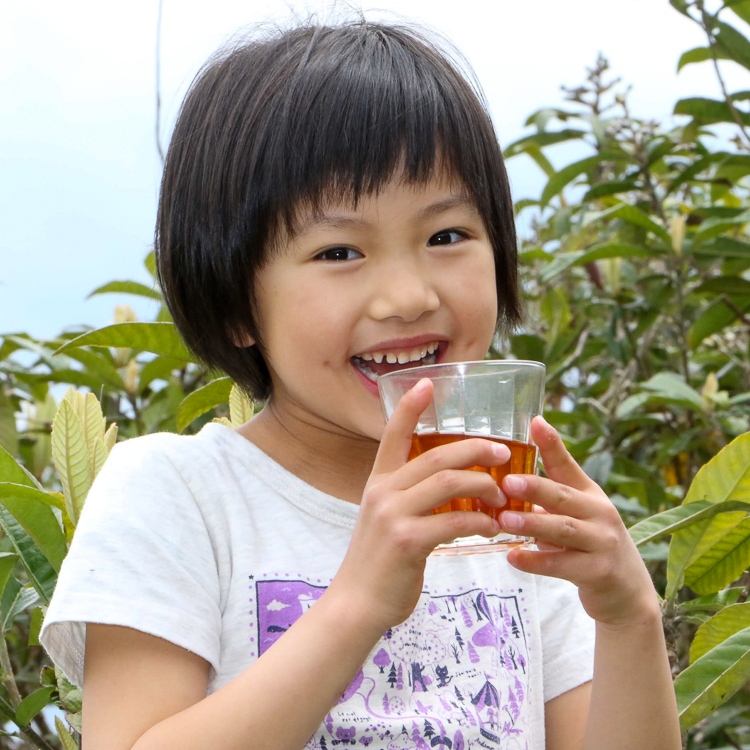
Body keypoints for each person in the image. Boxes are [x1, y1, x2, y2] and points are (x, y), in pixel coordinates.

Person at [40, 16, 681, 750]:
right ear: (236, 304)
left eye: (446, 236)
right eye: (340, 250)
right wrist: (358, 603)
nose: (407, 296)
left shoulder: (513, 518)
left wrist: (628, 614)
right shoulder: (179, 494)